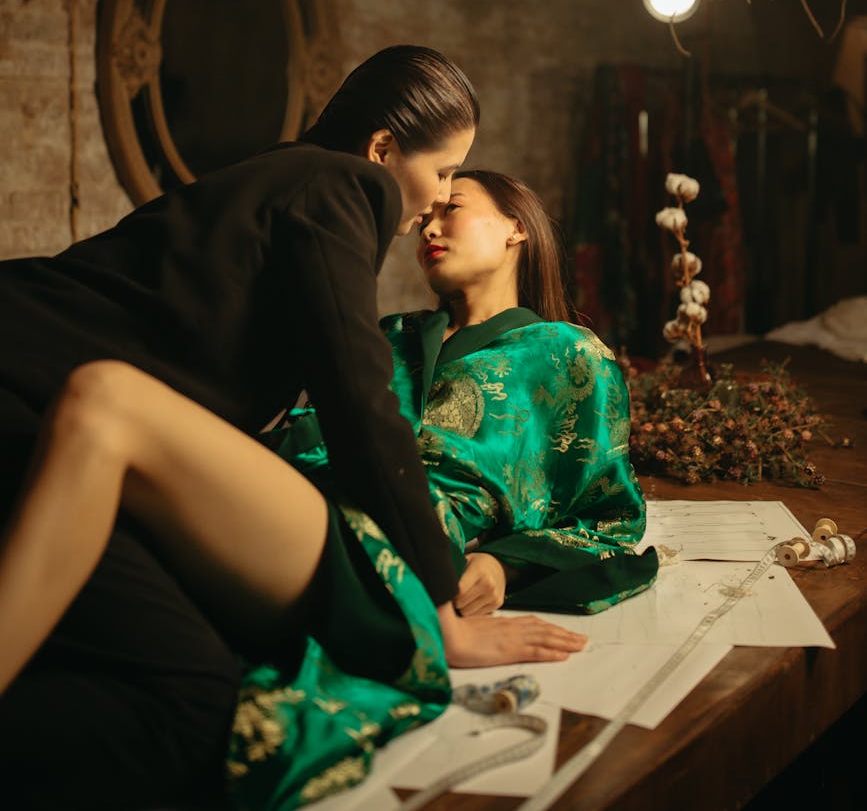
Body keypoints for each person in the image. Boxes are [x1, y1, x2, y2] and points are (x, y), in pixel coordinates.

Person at [0, 47, 584, 811]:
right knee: (191, 703)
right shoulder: (341, 184)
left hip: (47, 418)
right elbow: (358, 402)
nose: (439, 198)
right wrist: (436, 614)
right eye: (442, 171)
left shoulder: (277, 178)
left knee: (170, 678)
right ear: (382, 150)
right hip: (30, 413)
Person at [227, 169, 656, 808]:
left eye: (450, 209)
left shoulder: (569, 355)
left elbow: (609, 514)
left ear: (516, 228)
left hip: (391, 541)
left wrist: (505, 564)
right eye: (424, 218)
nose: (428, 227)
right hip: (282, 485)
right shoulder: (388, 335)